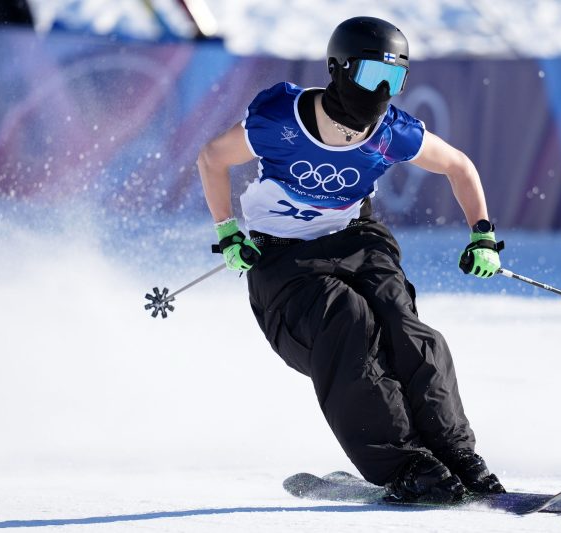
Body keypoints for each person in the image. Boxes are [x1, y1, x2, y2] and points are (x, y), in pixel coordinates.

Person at [197, 16, 505, 503]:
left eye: (394, 79)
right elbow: (212, 158)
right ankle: (402, 463)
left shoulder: (390, 132)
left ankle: (454, 452)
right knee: (348, 321)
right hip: (283, 257)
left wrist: (482, 234)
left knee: (404, 326)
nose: (381, 92)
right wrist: (227, 230)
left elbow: (457, 165)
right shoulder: (279, 118)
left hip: (356, 238)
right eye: (371, 75)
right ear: (338, 69)